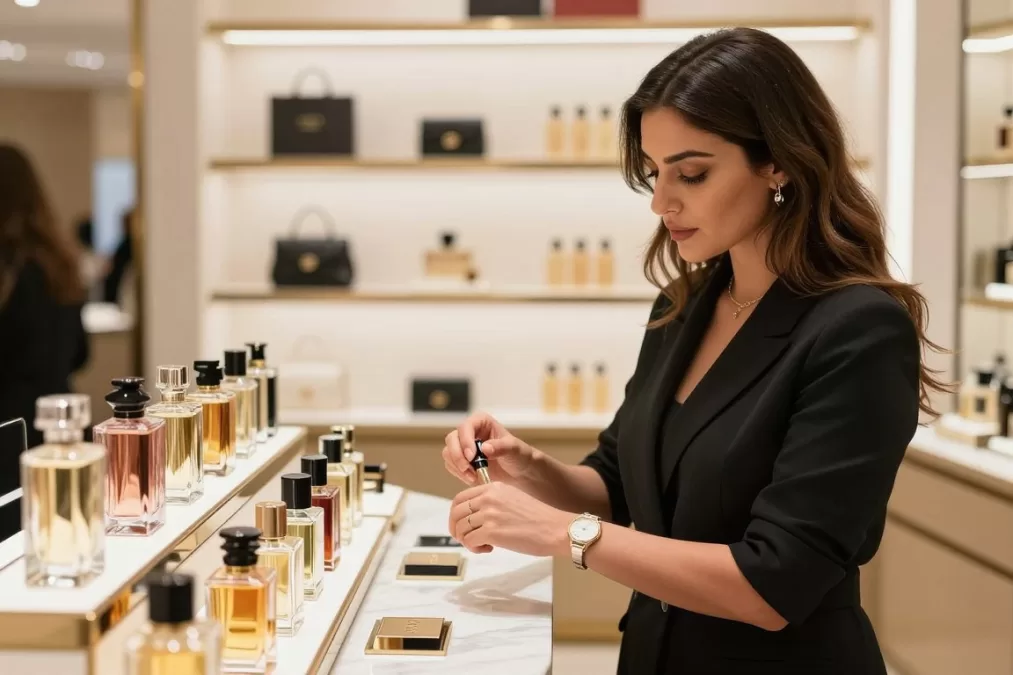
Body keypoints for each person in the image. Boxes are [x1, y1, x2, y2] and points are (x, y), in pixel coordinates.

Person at [441, 28, 946, 675]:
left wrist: (560, 534)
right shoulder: (682, 307)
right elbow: (622, 491)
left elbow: (774, 583)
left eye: (692, 172)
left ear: (779, 162)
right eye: (654, 173)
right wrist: (528, 465)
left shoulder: (858, 329)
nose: (660, 201)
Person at [0, 143, 89, 481]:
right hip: (60, 425)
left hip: (10, 431)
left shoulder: (10, 269)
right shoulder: (60, 263)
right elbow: (80, 353)